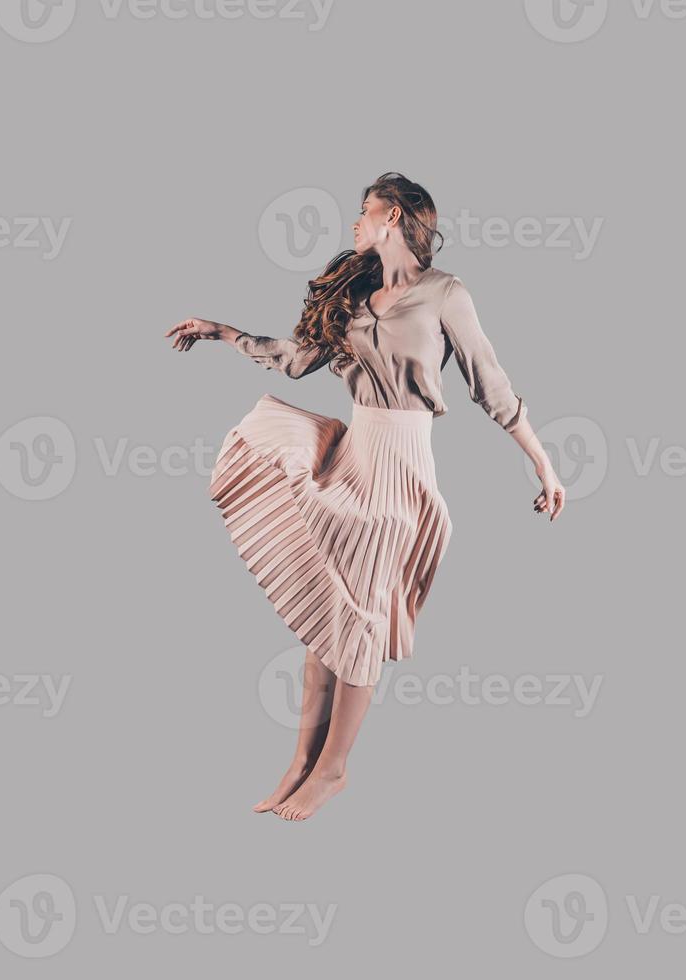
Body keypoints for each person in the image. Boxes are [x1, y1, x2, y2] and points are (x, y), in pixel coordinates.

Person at [166, 173, 566, 821]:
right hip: (352, 454)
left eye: (364, 212)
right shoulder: (355, 297)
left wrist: (544, 467)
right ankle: (300, 760)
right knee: (328, 619)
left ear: (397, 218)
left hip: (401, 469)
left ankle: (333, 768)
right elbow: (296, 361)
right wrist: (222, 332)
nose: (355, 223)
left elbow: (489, 384)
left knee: (361, 617)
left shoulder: (445, 294)